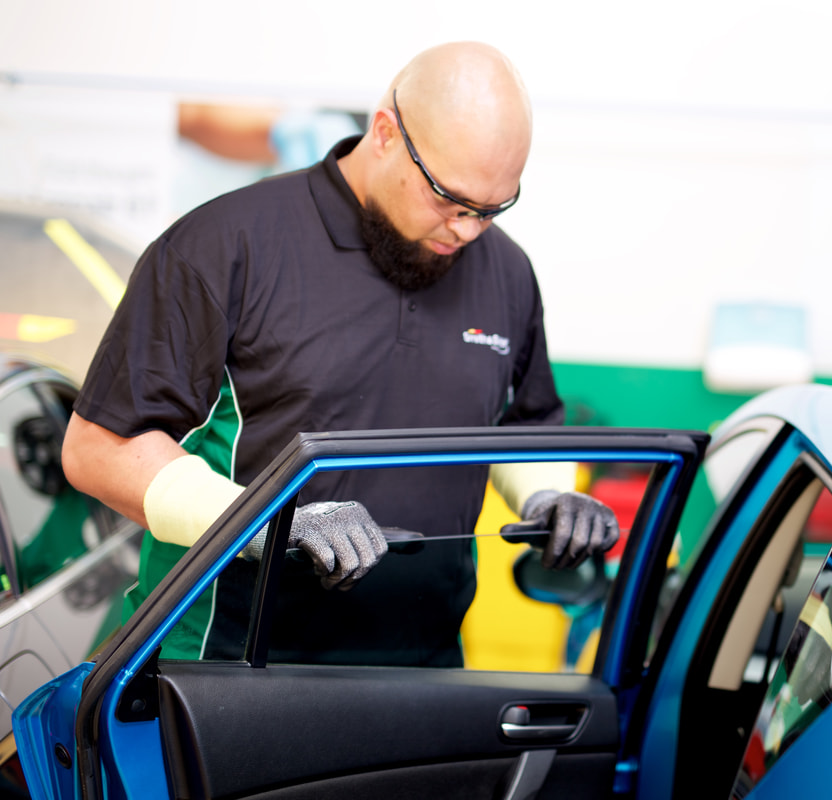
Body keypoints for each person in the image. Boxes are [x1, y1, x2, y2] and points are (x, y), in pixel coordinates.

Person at [61, 42, 618, 666]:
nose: (466, 230)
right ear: (385, 133)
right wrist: (268, 522)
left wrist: (549, 496)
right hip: (228, 665)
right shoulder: (225, 245)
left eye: (491, 209)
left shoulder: (507, 272)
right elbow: (99, 449)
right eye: (449, 200)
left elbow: (524, 423)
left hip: (425, 667)